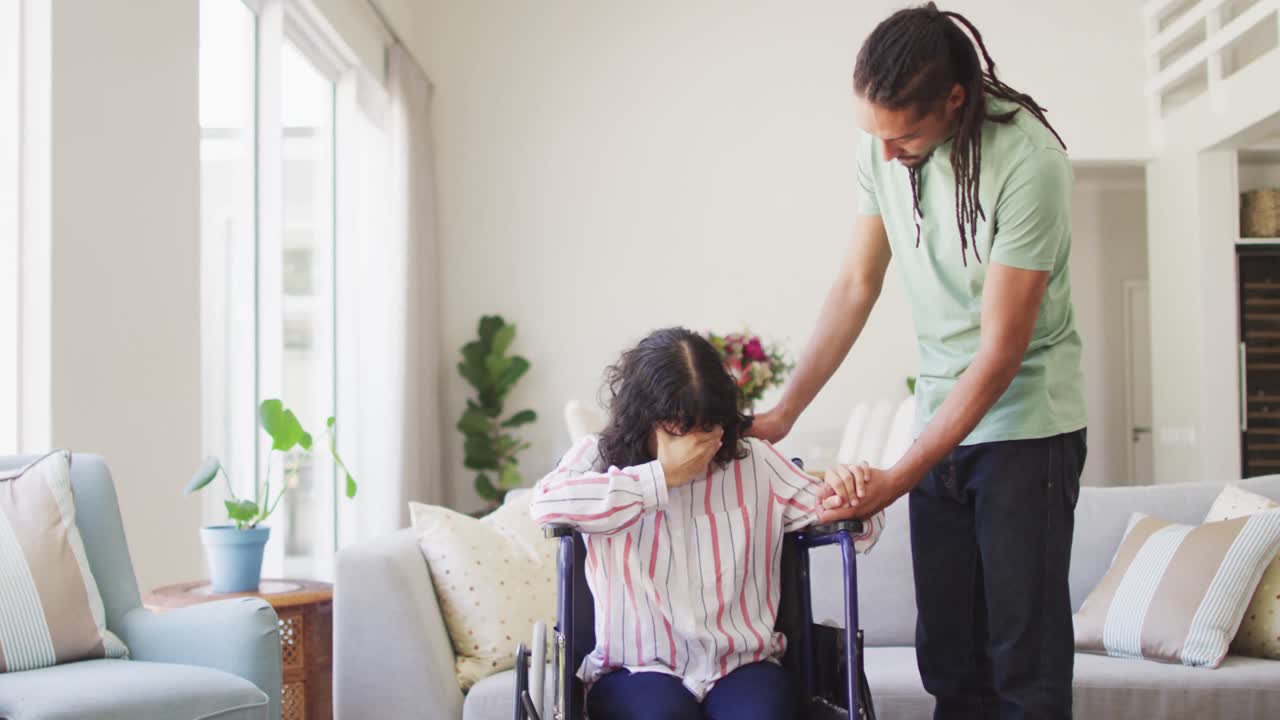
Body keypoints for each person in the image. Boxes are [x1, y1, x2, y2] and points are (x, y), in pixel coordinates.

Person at [751, 5, 1087, 719]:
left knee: (1022, 664)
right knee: (949, 659)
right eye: (875, 134)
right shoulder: (883, 147)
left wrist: (895, 477)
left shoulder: (1030, 163)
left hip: (1028, 426)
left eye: (903, 135)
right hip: (943, 416)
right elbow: (855, 285)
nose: (888, 150)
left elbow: (1000, 356)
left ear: (955, 100)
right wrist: (784, 411)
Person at [530, 327, 885, 720]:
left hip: (742, 664)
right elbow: (545, 505)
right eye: (678, 430)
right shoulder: (597, 458)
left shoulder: (754, 462)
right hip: (635, 668)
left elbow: (860, 528)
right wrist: (660, 477)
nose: (698, 443)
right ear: (643, 420)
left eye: (707, 427)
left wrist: (853, 490)